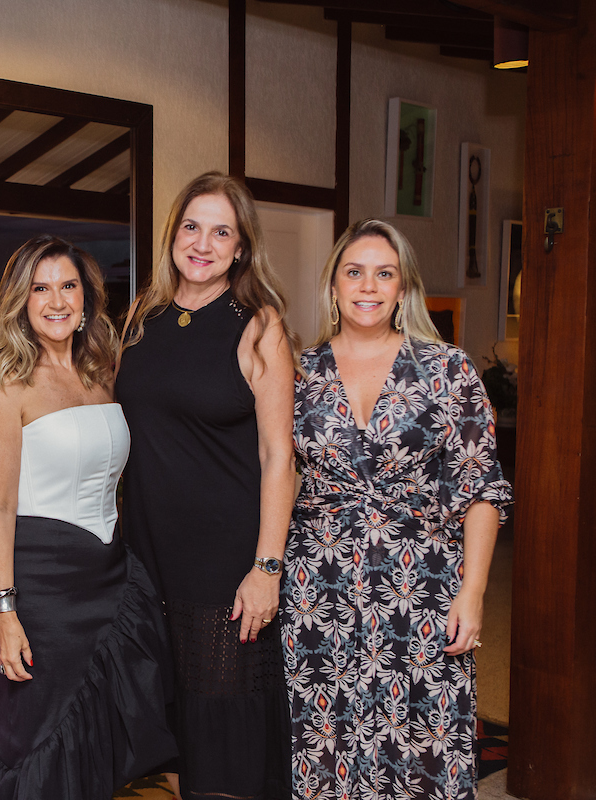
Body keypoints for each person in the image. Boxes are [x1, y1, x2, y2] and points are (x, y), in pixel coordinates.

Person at [282, 218, 511, 800]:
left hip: (422, 583)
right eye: (354, 272)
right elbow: (274, 472)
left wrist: (475, 591)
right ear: (333, 285)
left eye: (384, 274)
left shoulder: (448, 370)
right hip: (318, 587)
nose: (368, 286)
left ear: (403, 288)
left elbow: (481, 487)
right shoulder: (298, 374)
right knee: (326, 738)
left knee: (421, 739)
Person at [117, 171, 296, 799]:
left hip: (226, 562)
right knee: (166, 718)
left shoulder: (258, 325)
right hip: (147, 554)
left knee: (223, 732)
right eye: (192, 226)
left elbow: (280, 457)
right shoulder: (144, 315)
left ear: (242, 247)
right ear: (173, 235)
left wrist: (266, 567)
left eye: (222, 231)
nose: (203, 243)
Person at [0, 235, 176, 800]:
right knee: (37, 735)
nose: (57, 300)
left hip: (110, 576)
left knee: (96, 738)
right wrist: (5, 612)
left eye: (68, 286)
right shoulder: (6, 384)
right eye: (41, 288)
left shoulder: (104, 374)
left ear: (86, 300)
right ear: (22, 301)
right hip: (43, 589)